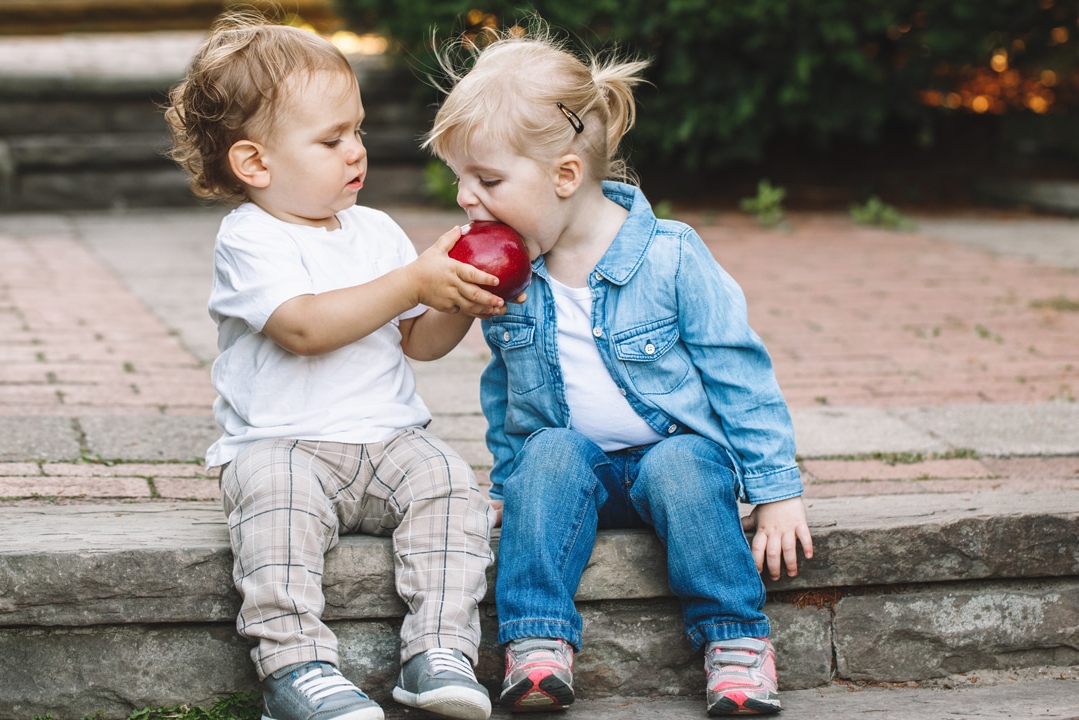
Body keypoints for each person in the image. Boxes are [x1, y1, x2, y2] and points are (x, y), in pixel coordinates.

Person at [424, 24, 815, 717]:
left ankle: (736, 642)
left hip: (674, 463)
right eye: (461, 179)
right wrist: (511, 482)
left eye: (486, 180)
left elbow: (739, 372)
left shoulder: (671, 255)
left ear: (565, 176)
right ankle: (537, 644)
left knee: (686, 464)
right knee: (546, 454)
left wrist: (776, 490)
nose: (465, 198)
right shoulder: (516, 275)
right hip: (580, 472)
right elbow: (507, 388)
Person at [165, 13, 510, 720]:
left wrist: (458, 299)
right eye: (330, 140)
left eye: (356, 130)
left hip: (388, 440)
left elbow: (418, 342)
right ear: (254, 163)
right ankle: (296, 668)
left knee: (449, 483)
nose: (356, 151)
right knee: (274, 506)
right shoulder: (251, 239)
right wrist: (412, 282)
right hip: (282, 446)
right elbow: (303, 327)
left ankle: (437, 650)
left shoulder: (375, 229)